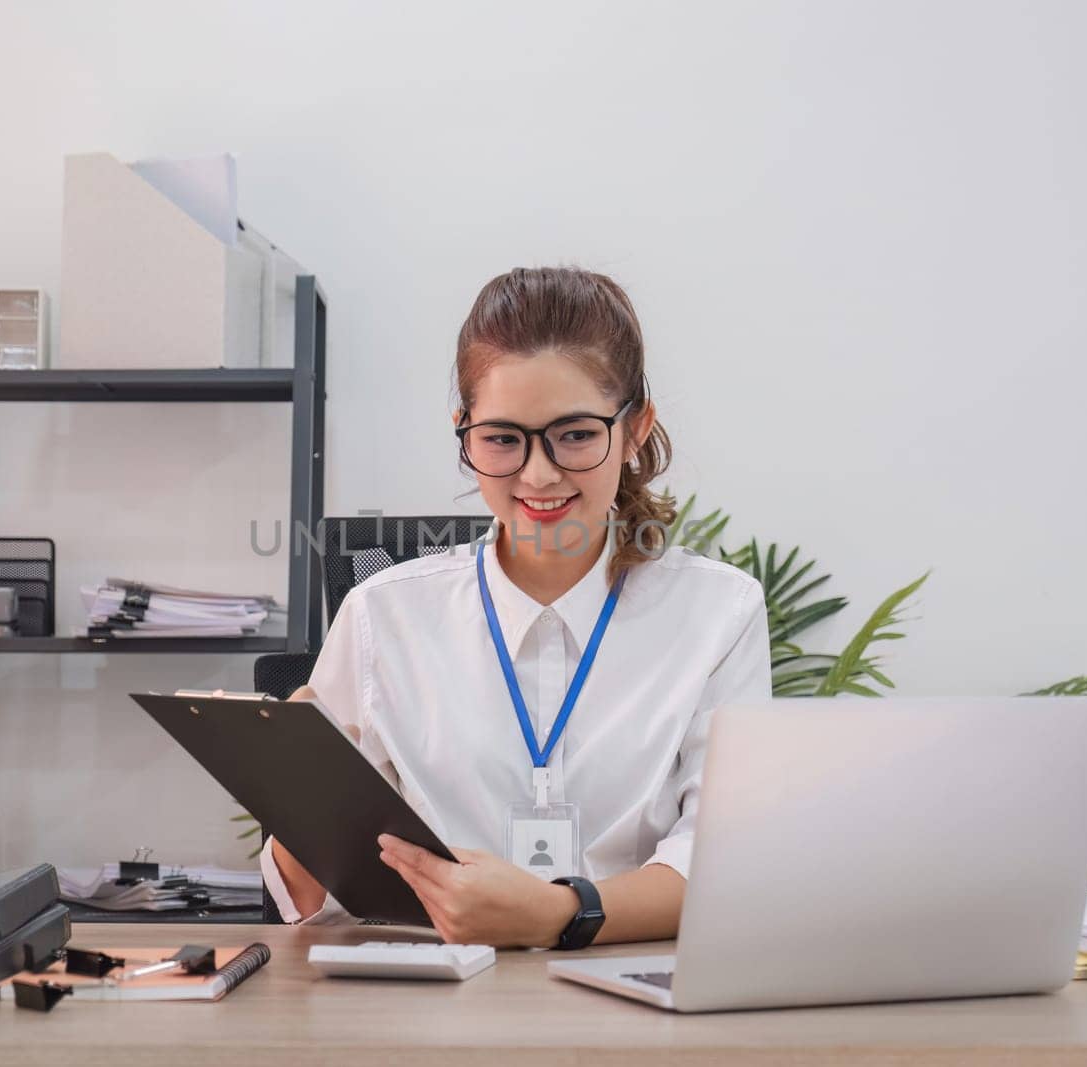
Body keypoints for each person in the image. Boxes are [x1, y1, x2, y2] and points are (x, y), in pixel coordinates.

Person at [262, 266, 770, 948]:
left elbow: (719, 864)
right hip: (432, 1014)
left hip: (641, 1010)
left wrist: (558, 912)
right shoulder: (382, 618)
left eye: (576, 434)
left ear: (636, 428)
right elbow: (309, 902)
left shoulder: (718, 616)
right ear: (465, 433)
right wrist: (298, 792)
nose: (538, 473)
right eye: (502, 438)